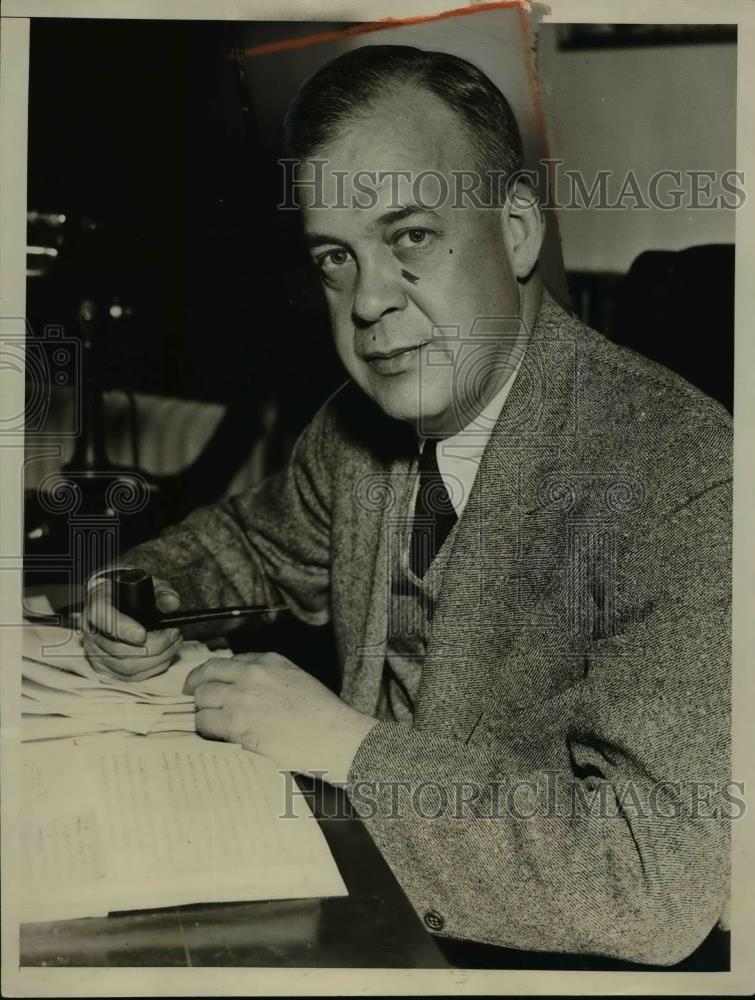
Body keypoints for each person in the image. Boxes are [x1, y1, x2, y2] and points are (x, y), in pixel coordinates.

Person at [82, 46, 732, 965]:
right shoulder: (358, 430)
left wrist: (345, 748)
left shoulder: (682, 475)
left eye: (411, 237)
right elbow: (253, 544)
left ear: (514, 232)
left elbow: (649, 878)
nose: (368, 301)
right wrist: (139, 588)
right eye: (336, 258)